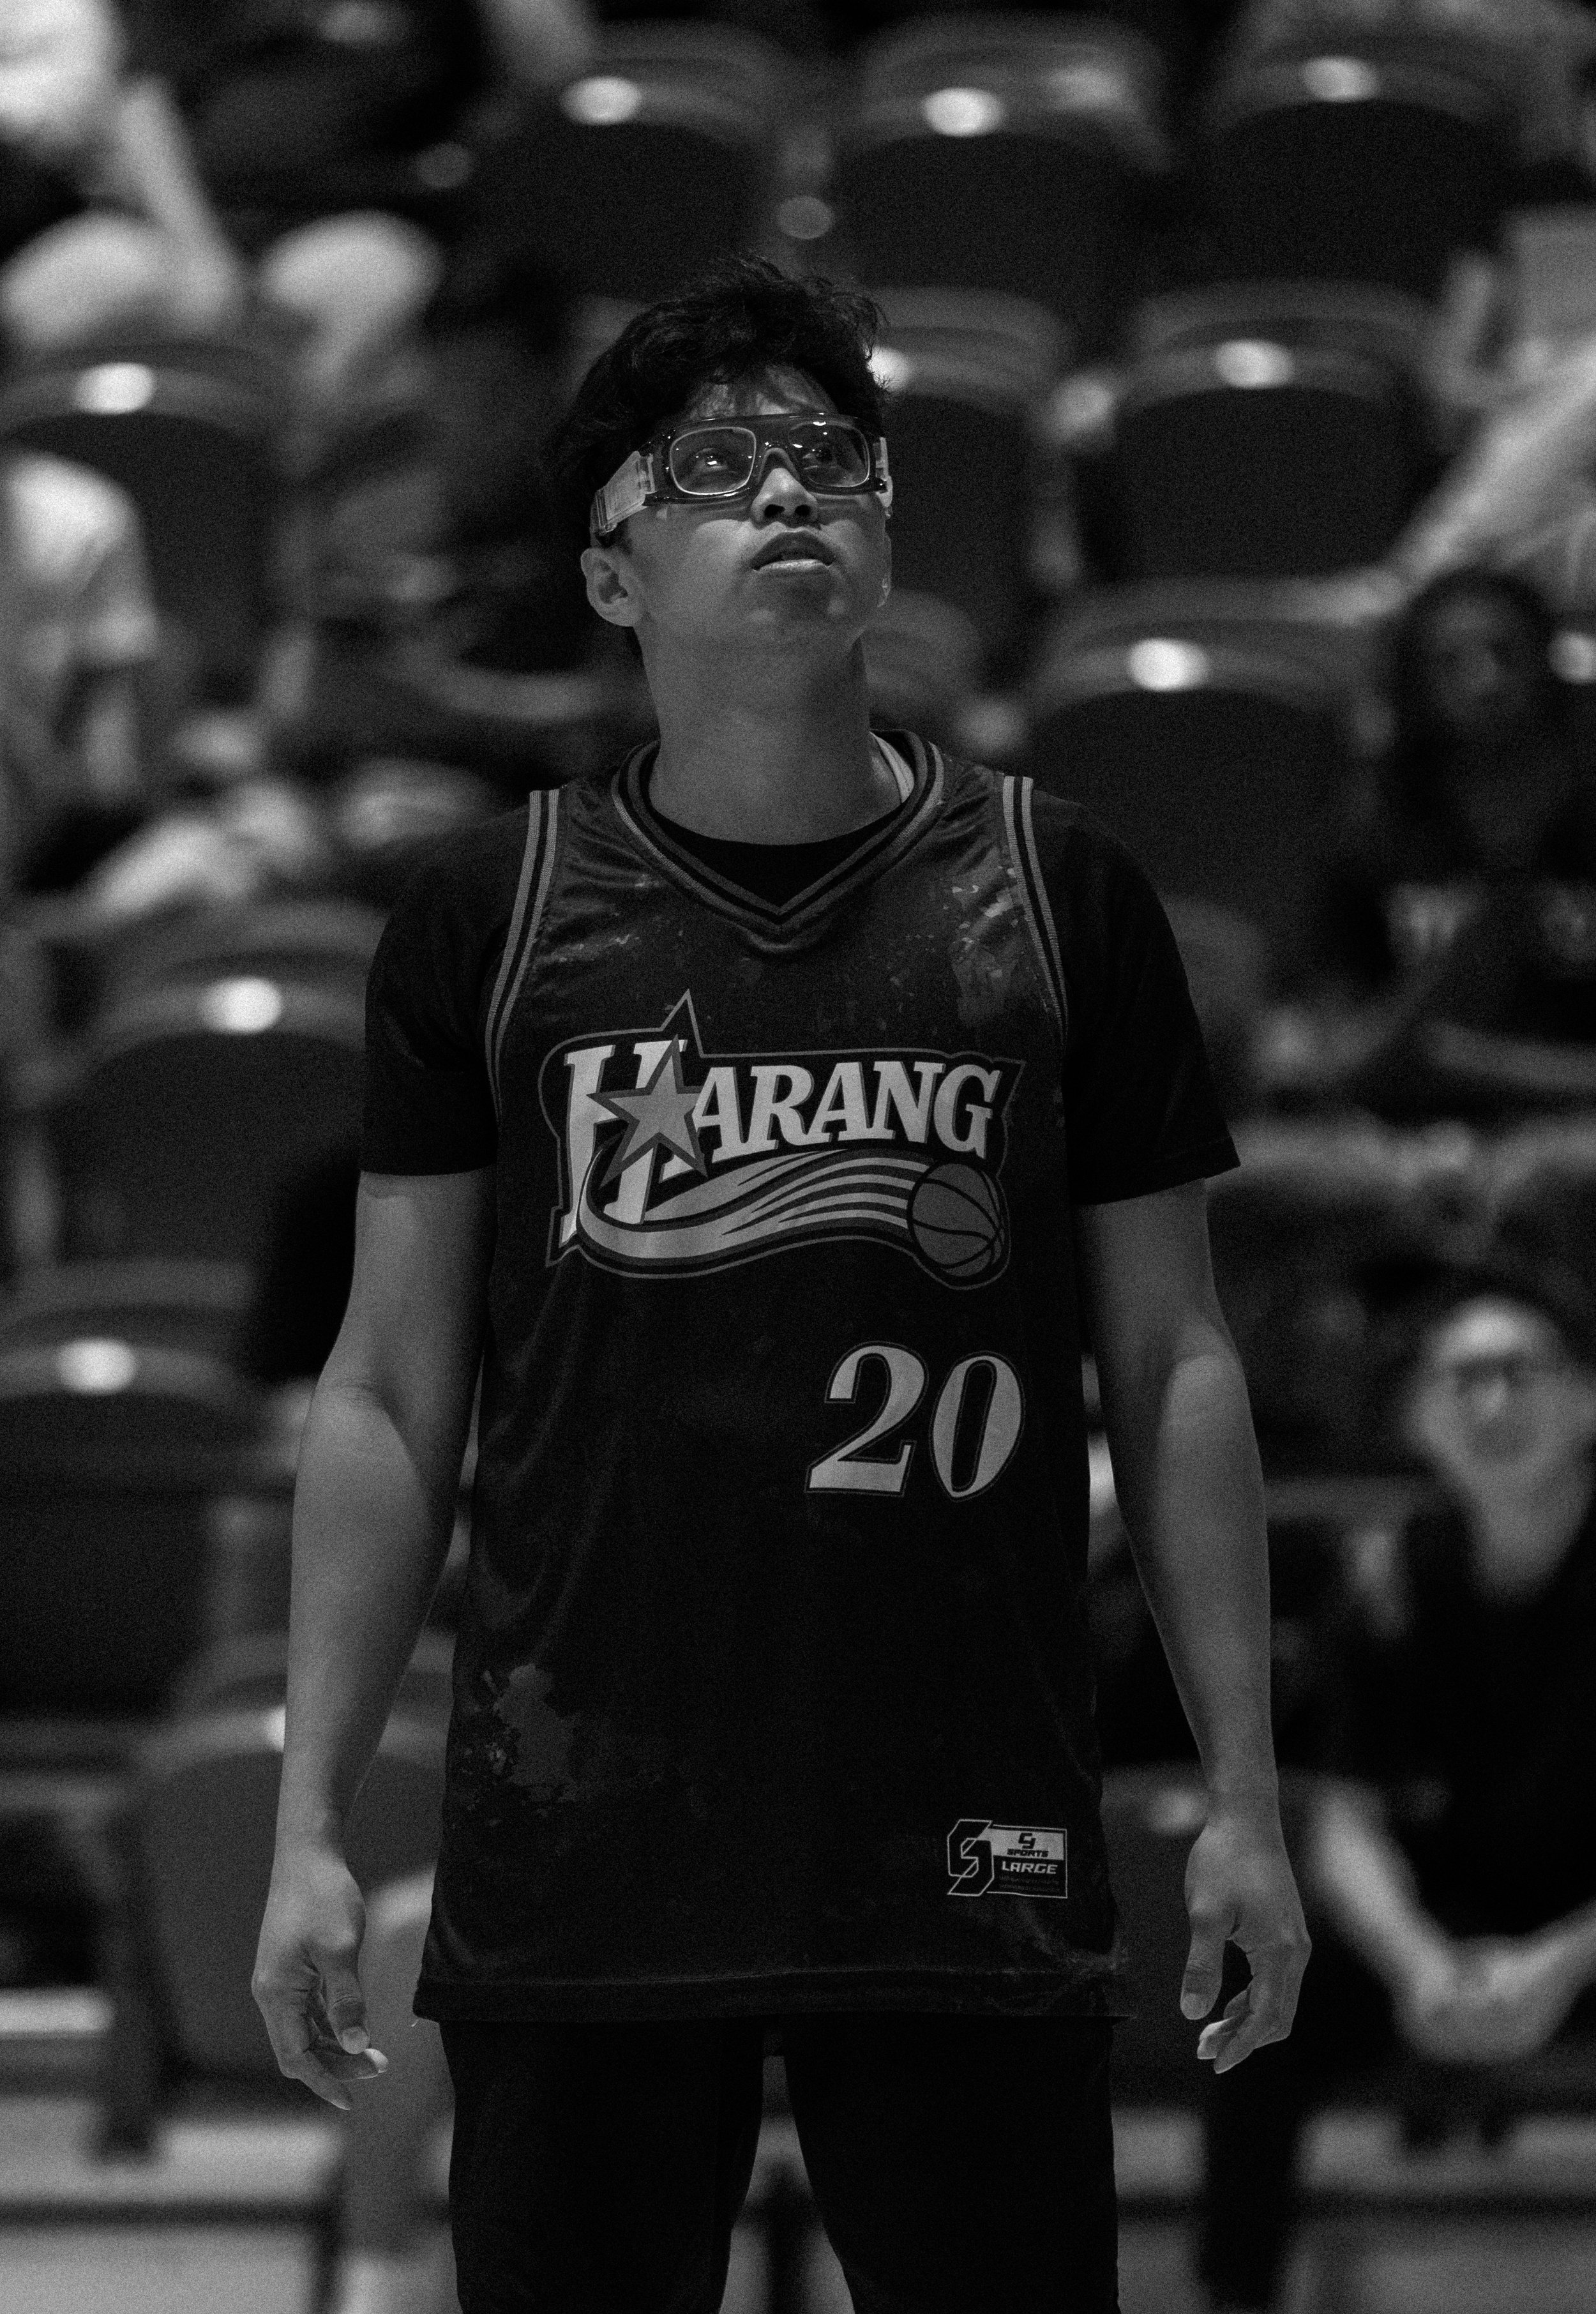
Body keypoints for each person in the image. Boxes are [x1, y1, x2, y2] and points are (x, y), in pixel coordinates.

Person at [252, 257, 1309, 2313]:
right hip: (584, 1824)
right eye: (717, 464)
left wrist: (1245, 1795)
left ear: (892, 522)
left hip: (956, 1812)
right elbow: (383, 1390)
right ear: (612, 571)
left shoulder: (1049, 886)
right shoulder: (488, 914)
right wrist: (306, 1814)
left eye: (830, 457)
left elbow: (1172, 1358)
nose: (789, 493)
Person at [1198, 1253, 1596, 2312]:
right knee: (1259, 2008)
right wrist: (1420, 1964)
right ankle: (1232, 2296)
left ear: (1586, 1394)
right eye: (1459, 1377)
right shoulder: (1386, 1578)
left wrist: (1556, 1965)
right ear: (1418, 1416)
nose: (1492, 1400)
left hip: (1583, 1940)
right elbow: (1344, 1817)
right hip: (1447, 1933)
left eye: (1520, 1367)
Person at [1270, 568, 1596, 1117]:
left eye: (1505, 653)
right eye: (1455, 662)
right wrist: (1449, 970)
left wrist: (1469, 1063)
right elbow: (1318, 1068)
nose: (1486, 681)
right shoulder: (1367, 838)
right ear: (1415, 684)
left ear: (1547, 666)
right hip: (1396, 1141)